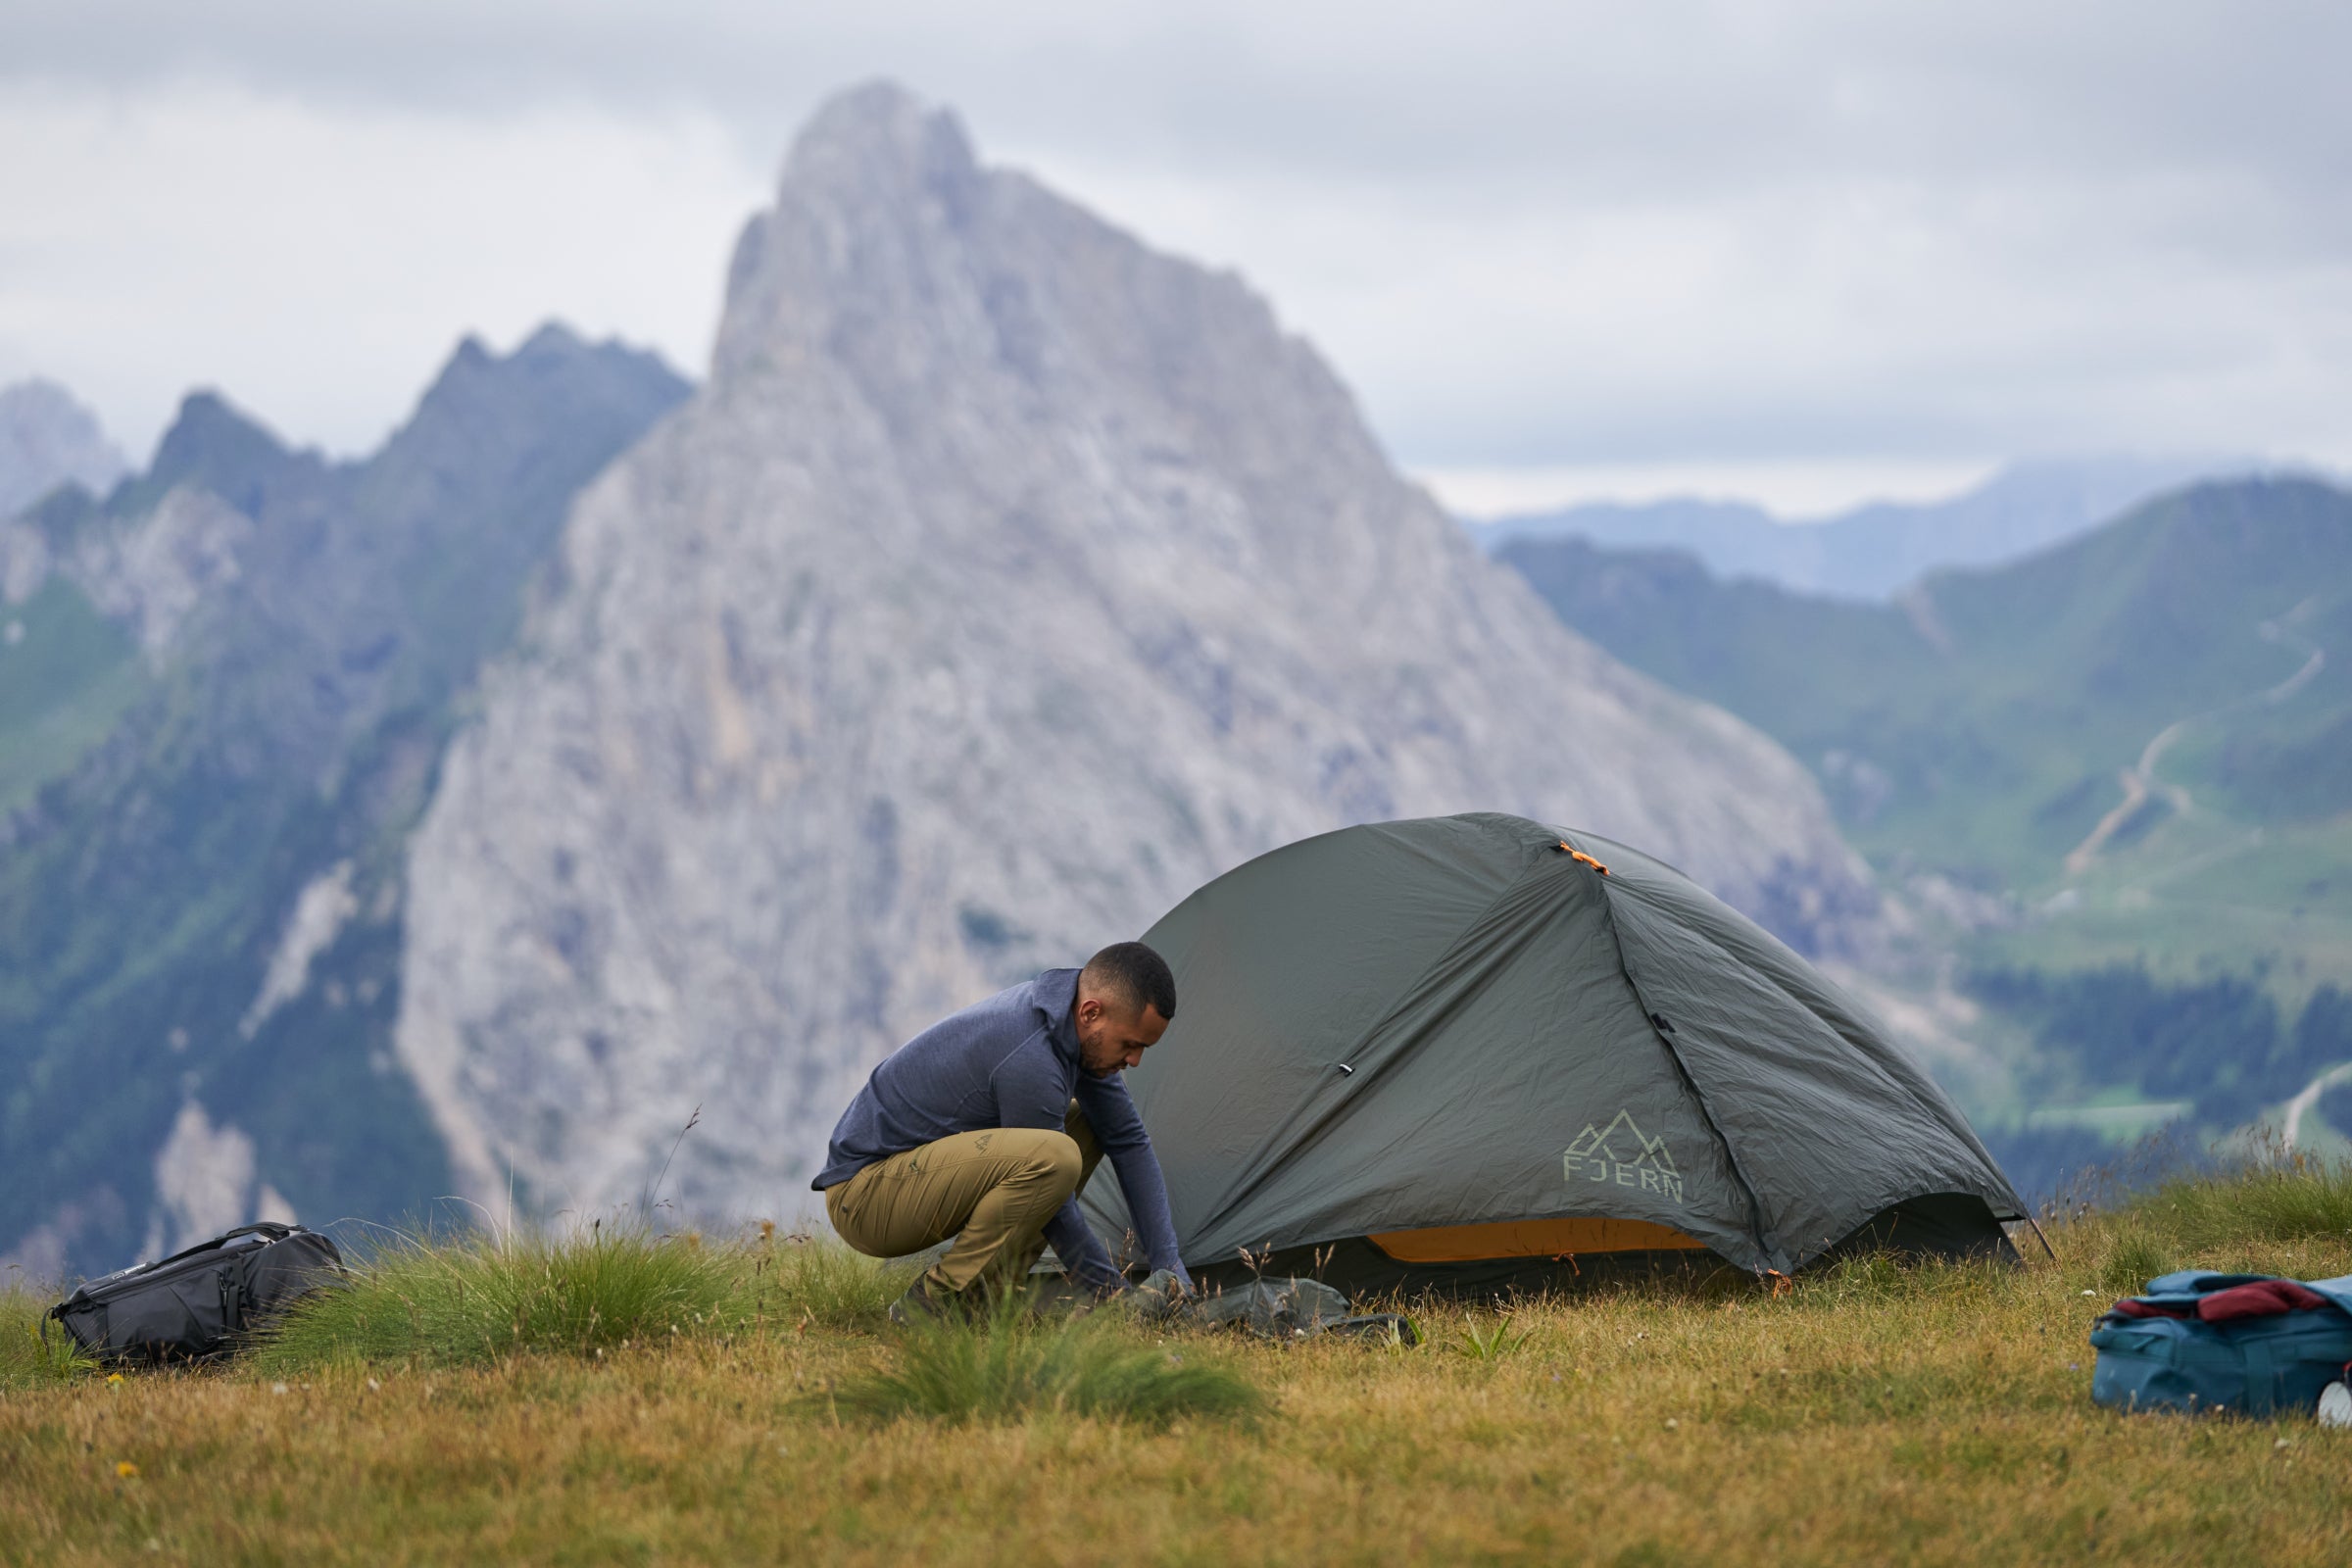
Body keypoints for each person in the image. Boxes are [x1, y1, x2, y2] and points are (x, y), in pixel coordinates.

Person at [811, 941, 1195, 1323]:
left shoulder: (1074, 1030)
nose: (1135, 1061)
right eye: (1129, 1045)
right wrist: (1115, 1298)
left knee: (1085, 1128)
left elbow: (1128, 1141)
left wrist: (1170, 1268)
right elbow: (1055, 1203)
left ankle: (986, 1298)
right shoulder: (1031, 1056)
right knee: (1054, 1158)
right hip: (867, 1196)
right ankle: (930, 1303)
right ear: (1091, 1012)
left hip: (913, 1179)